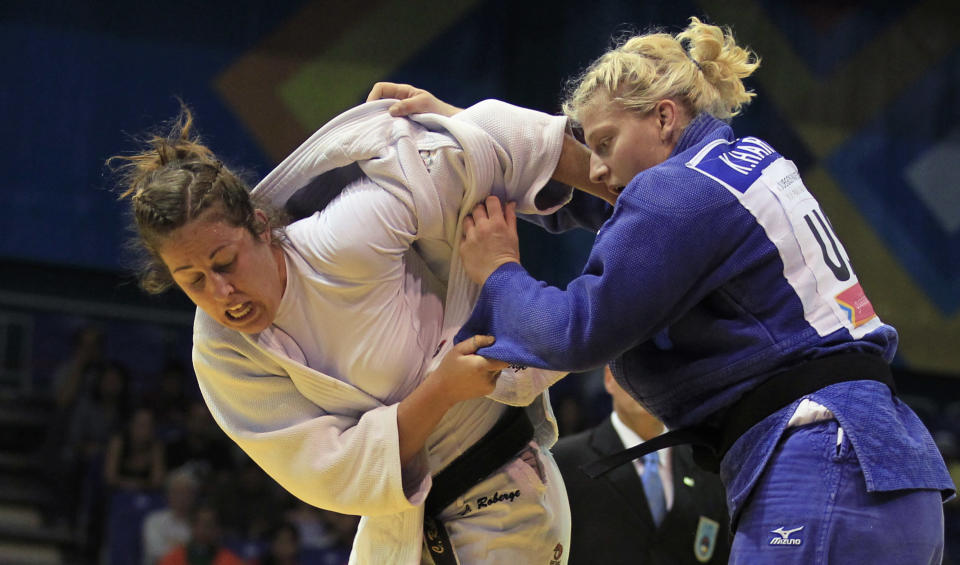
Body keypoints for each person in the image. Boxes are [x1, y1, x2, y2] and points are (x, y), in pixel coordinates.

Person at [385, 17, 954, 564]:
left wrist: (499, 269)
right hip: (883, 471)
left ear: (663, 117)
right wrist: (467, 130)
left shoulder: (681, 194)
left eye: (605, 143)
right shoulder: (739, 163)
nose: (600, 168)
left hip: (821, 461)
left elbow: (575, 333)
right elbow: (606, 201)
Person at [111, 90, 596, 563]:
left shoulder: (346, 236)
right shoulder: (221, 350)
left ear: (261, 226)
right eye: (192, 281)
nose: (220, 293)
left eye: (225, 263)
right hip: (398, 532)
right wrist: (442, 389)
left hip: (503, 489)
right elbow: (331, 472)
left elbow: (465, 152)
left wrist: (609, 175)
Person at [552, 366, 729, 564]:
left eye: (657, 372)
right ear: (609, 378)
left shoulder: (707, 462)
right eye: (635, 370)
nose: (645, 383)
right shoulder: (564, 461)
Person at [142, 468, 200, 565]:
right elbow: (156, 552)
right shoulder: (154, 520)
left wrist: (175, 545)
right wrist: (185, 548)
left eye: (186, 493)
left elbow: (202, 553)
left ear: (194, 496)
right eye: (177, 492)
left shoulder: (199, 523)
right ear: (168, 495)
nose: (181, 498)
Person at [157, 504, 245, 565]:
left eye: (209, 525)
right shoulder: (173, 559)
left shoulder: (230, 561)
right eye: (199, 524)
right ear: (192, 527)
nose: (204, 530)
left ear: (217, 530)